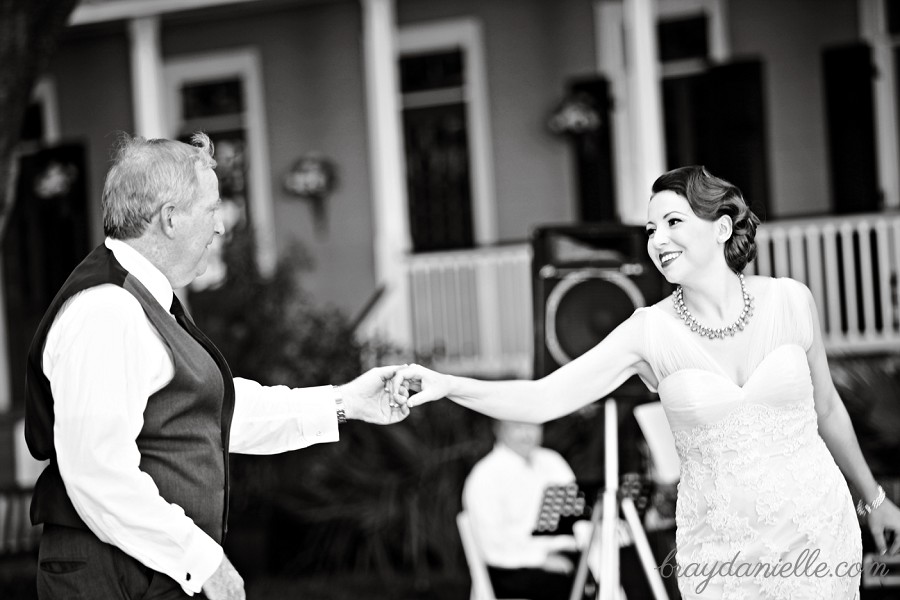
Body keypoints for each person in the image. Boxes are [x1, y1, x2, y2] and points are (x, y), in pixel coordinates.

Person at [392, 165, 900, 599]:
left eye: (673, 222)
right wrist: (448, 384)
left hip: (817, 525)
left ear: (722, 228)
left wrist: (874, 500)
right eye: (652, 228)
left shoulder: (791, 300)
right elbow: (544, 397)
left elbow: (828, 409)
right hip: (721, 549)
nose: (657, 240)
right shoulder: (647, 331)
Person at [24, 132, 408, 600]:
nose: (221, 226)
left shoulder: (143, 300)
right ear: (169, 218)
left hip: (143, 575)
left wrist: (348, 402)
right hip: (111, 579)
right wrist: (204, 562)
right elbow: (98, 473)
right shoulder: (107, 309)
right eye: (211, 210)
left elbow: (215, 411)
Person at [463, 419, 593, 600]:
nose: (527, 434)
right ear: (498, 429)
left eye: (532, 425)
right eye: (518, 427)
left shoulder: (552, 461)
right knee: (567, 585)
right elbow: (492, 545)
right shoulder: (485, 475)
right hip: (513, 567)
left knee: (623, 565)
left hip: (565, 556)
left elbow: (578, 516)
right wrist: (541, 559)